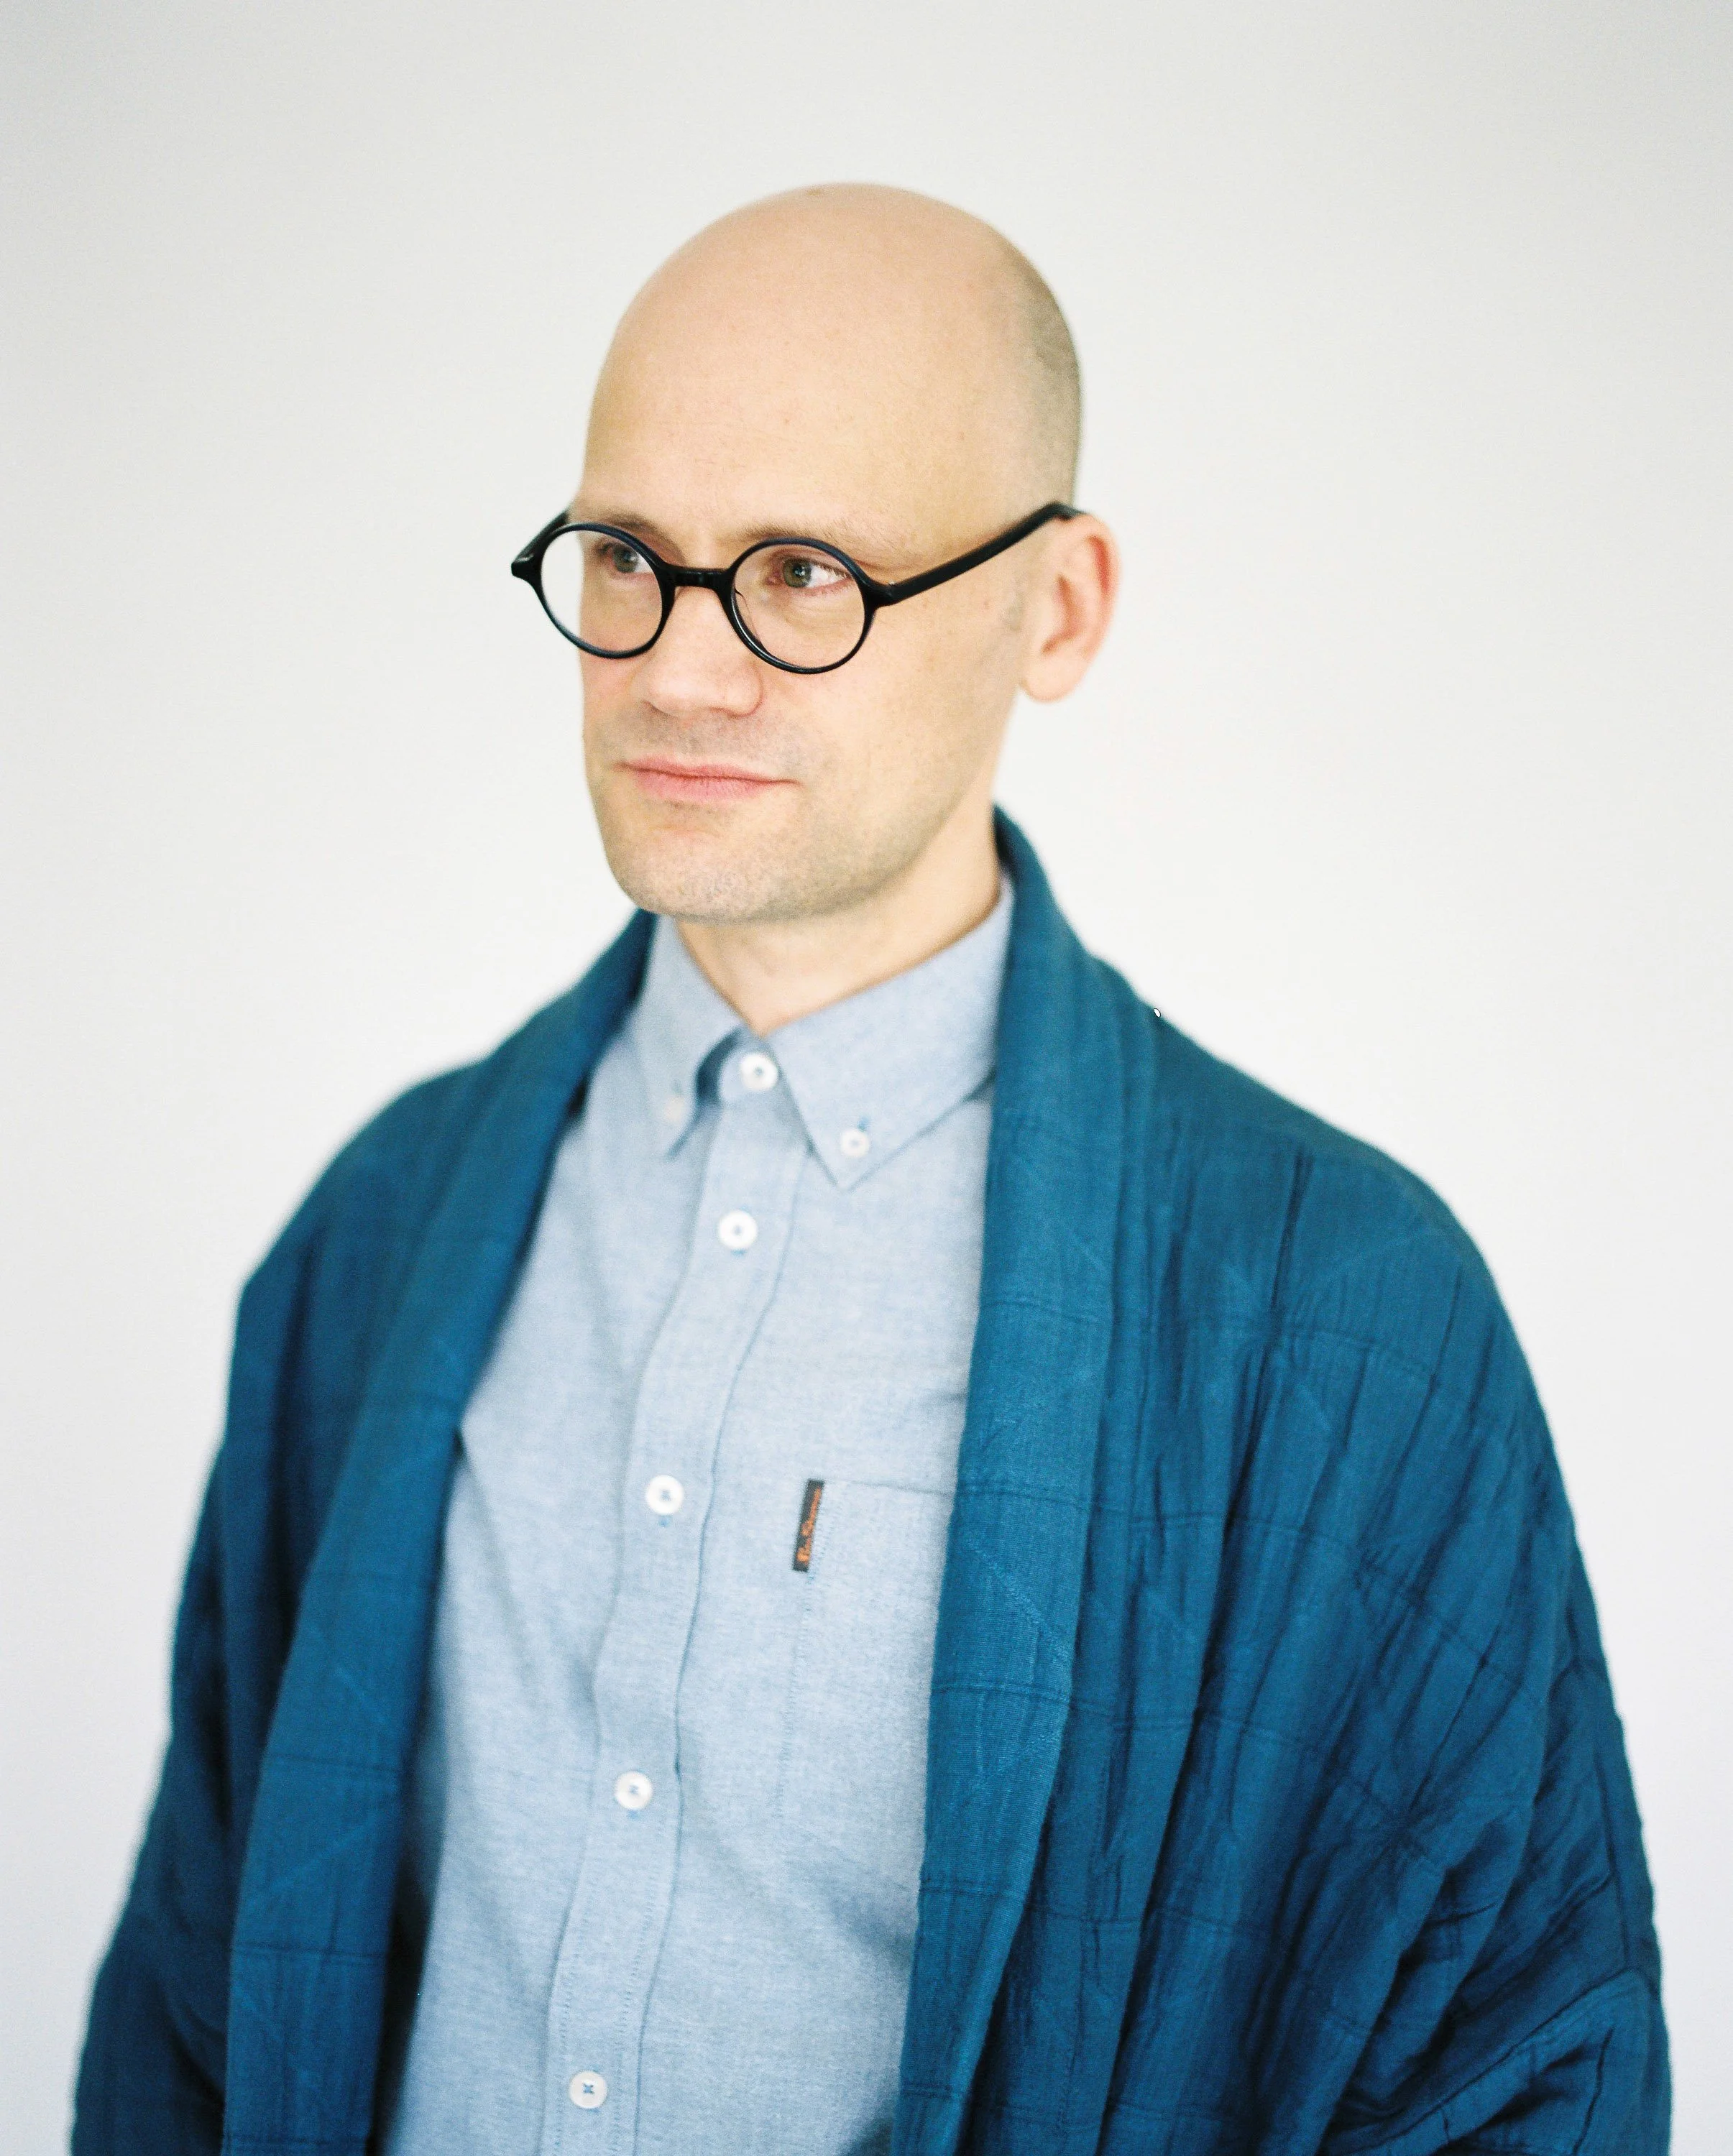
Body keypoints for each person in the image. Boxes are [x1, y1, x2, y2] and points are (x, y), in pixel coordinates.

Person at [74, 185, 1667, 2156]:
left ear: (1057, 608)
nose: (681, 669)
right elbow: (194, 2004)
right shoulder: (380, 1233)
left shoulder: (1343, 1320)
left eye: (807, 572)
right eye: (629, 557)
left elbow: (1519, 2066)